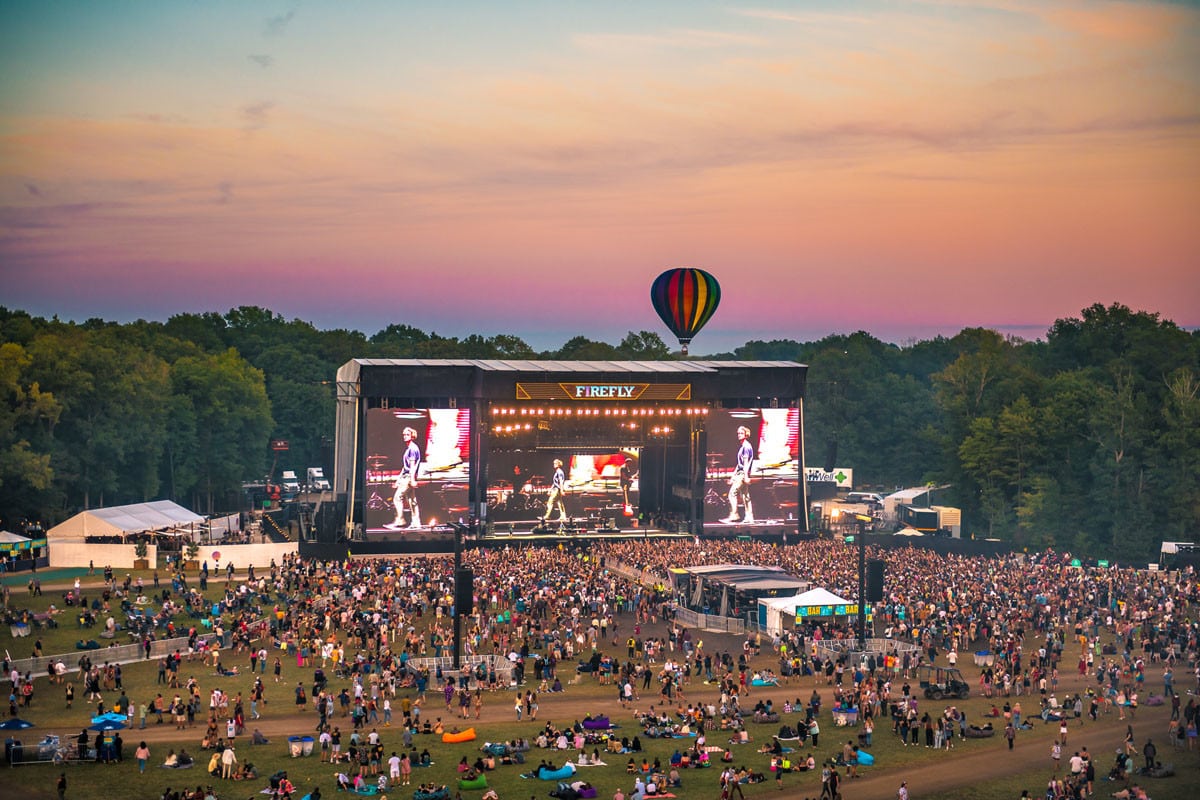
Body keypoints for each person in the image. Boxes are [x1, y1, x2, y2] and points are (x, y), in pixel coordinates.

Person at [385, 427, 422, 529]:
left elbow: (412, 466)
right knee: (412, 500)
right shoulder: (409, 449)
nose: (405, 436)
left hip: (409, 477)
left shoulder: (412, 449)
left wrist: (412, 479)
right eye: (404, 435)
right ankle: (416, 523)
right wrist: (398, 480)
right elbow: (405, 467)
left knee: (398, 498)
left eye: (407, 435)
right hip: (407, 476)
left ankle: (400, 520)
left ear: (412, 436)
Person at [720, 426, 755, 523]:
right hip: (741, 473)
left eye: (741, 433)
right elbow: (739, 464)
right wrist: (733, 475)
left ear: (746, 434)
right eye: (738, 433)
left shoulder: (746, 447)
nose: (739, 435)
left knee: (732, 493)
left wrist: (746, 476)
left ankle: (734, 515)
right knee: (745, 496)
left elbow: (746, 463)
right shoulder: (743, 447)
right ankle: (749, 517)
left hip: (743, 473)